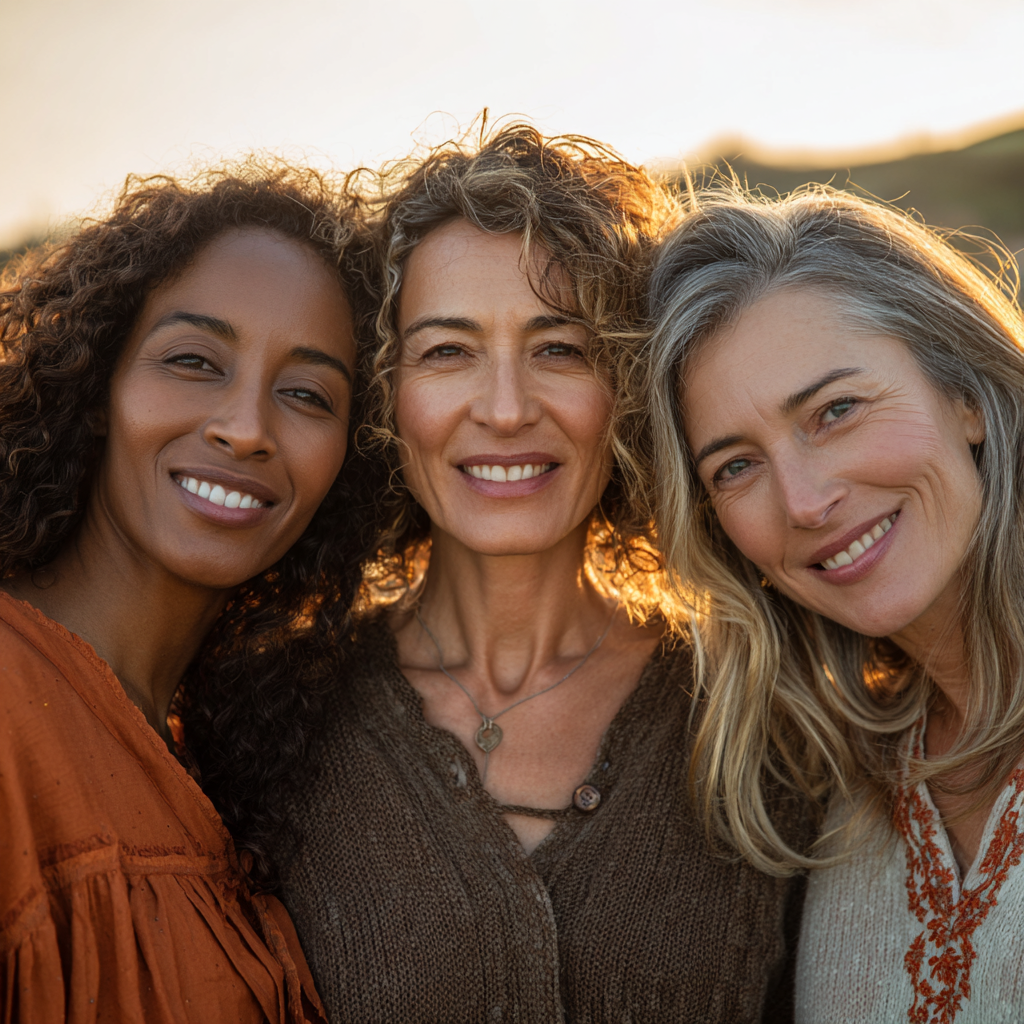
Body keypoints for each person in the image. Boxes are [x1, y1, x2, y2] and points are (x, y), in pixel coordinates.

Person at [276, 125, 805, 1024]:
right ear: (384, 390)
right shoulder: (276, 718)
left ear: (629, 385)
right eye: (448, 351)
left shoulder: (758, 710)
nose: (508, 407)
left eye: (560, 348)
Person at [0, 161, 378, 1023]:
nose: (245, 428)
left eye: (306, 394)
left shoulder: (219, 756)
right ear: (98, 384)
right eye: (193, 361)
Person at [643, 185, 1024, 1023]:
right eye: (735, 466)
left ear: (964, 394)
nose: (805, 501)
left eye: (836, 411)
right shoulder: (834, 791)